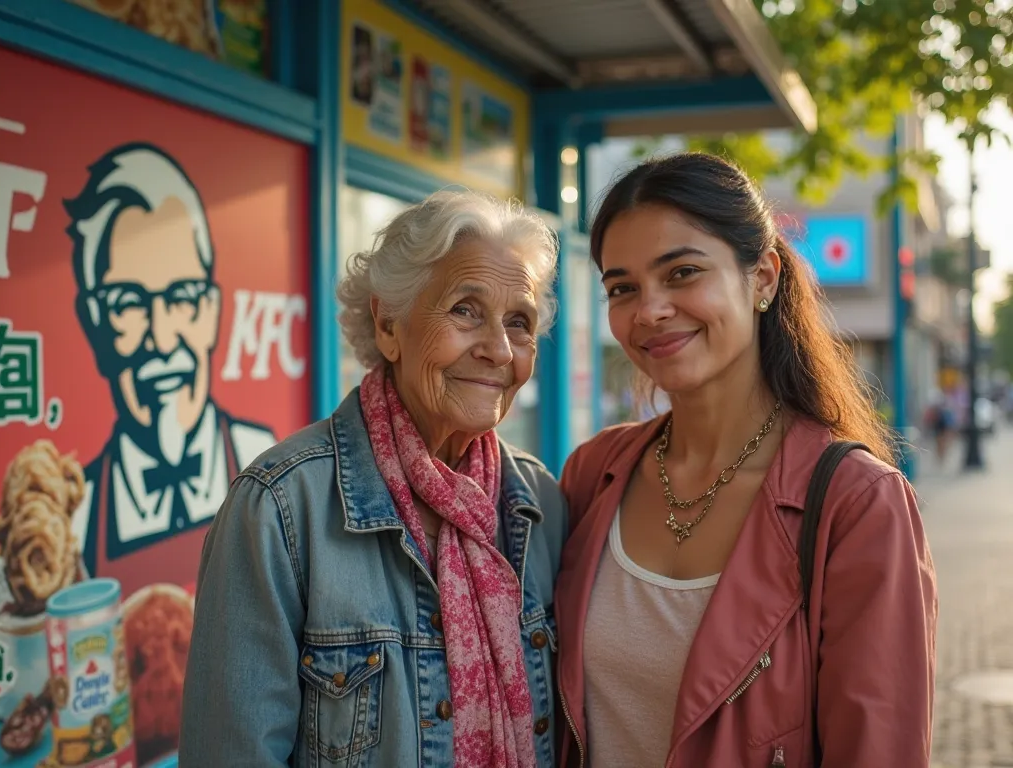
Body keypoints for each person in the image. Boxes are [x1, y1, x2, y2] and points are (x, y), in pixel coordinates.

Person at [555, 154, 937, 768]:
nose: (649, 310)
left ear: (762, 277)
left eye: (681, 272)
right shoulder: (592, 473)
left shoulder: (856, 503)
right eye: (622, 288)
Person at [181, 190, 567, 767]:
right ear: (389, 325)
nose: (499, 349)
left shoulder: (539, 502)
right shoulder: (282, 508)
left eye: (520, 322)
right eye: (466, 310)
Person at [64, 143, 276, 596]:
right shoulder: (73, 517)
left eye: (181, 297)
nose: (161, 338)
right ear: (94, 325)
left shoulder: (266, 465)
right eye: (127, 304)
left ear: (212, 313)